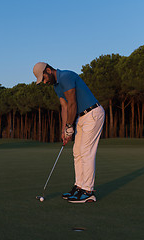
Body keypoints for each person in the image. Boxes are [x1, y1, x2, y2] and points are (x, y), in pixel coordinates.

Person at [33, 62, 105, 203]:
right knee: (77, 152)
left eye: (44, 78)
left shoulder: (66, 76)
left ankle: (88, 191)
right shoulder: (56, 86)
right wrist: (64, 131)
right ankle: (79, 187)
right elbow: (65, 108)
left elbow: (72, 103)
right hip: (81, 117)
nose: (45, 82)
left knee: (86, 151)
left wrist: (69, 126)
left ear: (48, 70)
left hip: (93, 114)